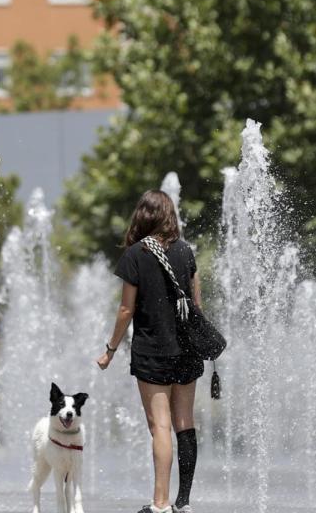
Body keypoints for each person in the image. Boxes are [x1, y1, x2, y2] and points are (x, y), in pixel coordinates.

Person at [96, 190, 202, 513]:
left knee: (160, 426)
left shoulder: (135, 255)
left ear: (142, 216)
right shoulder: (186, 252)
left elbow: (126, 311)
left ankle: (160, 504)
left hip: (153, 352)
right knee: (184, 421)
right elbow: (197, 305)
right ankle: (182, 503)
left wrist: (110, 349)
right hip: (187, 350)